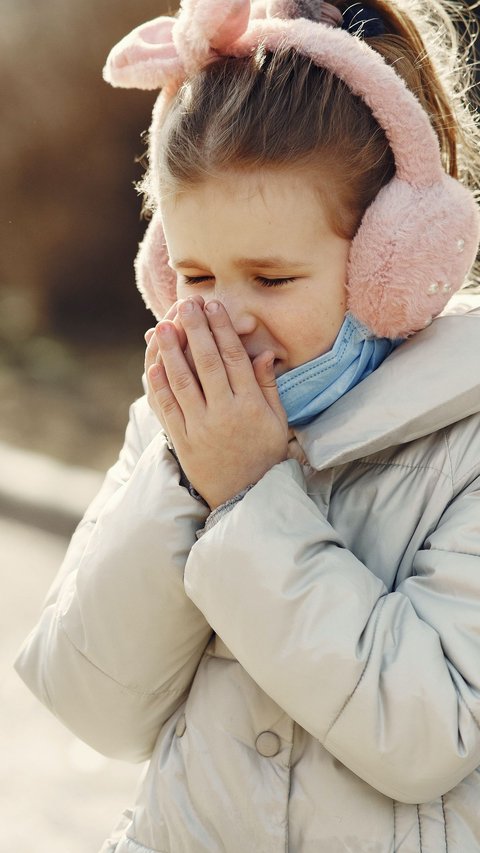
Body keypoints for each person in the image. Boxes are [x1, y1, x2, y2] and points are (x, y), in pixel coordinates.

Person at [14, 0, 480, 850]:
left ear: (394, 261)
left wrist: (254, 496)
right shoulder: (170, 432)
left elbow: (427, 734)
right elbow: (91, 701)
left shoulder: (467, 440)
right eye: (195, 276)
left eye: (270, 278)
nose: (228, 321)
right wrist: (186, 480)